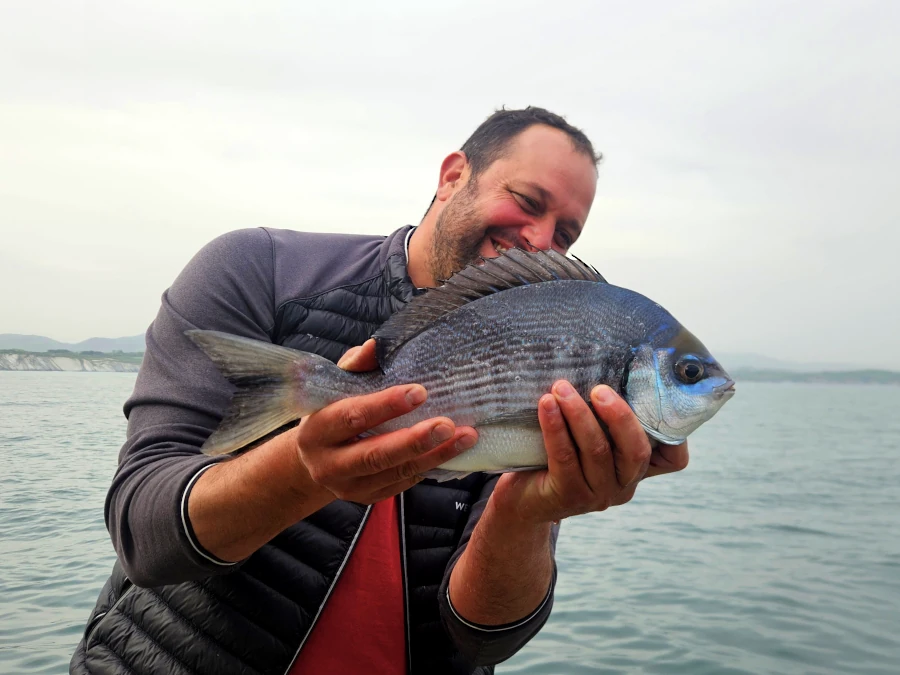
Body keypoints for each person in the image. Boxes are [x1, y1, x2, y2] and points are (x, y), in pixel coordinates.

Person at [70, 106, 689, 675]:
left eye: (566, 235)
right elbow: (142, 533)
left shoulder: (548, 352)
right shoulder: (257, 269)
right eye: (527, 200)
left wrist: (526, 511)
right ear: (453, 175)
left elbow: (483, 639)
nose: (539, 238)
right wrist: (304, 469)